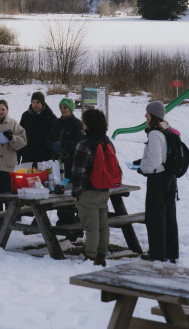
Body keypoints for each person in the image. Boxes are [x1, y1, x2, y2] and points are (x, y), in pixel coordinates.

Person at [135, 100, 179, 263]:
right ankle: (171, 252)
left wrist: (142, 167)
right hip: (170, 178)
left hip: (158, 179)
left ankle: (157, 253)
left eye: (147, 112)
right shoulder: (168, 129)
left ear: (153, 115)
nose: (145, 115)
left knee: (155, 217)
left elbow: (154, 161)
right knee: (169, 215)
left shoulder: (154, 133)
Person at [71, 108, 113, 265]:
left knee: (91, 226)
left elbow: (77, 171)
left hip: (88, 191)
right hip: (104, 189)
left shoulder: (84, 144)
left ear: (88, 124)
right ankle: (102, 254)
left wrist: (75, 191)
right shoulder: (107, 141)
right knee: (103, 224)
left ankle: (90, 257)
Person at [46, 97, 83, 225]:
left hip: (71, 164)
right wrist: (53, 146)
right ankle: (62, 219)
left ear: (70, 109)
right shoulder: (56, 123)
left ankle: (71, 221)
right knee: (58, 191)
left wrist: (63, 144)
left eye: (65, 108)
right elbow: (49, 139)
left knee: (69, 193)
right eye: (61, 108)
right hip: (57, 163)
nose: (63, 110)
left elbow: (79, 143)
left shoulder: (77, 124)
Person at [18, 91, 56, 167]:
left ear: (42, 103)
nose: (35, 105)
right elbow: (20, 136)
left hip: (44, 160)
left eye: (37, 102)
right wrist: (18, 155)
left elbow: (54, 138)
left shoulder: (51, 118)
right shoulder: (25, 116)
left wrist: (53, 157)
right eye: (33, 102)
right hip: (27, 158)